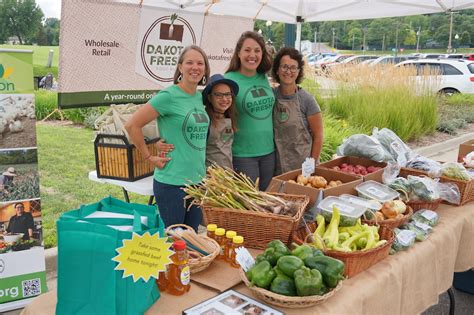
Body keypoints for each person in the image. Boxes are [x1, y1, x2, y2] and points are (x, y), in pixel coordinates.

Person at [124, 45, 210, 231]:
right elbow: (132, 125)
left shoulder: (199, 97)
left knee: (191, 239)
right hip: (172, 184)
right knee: (175, 244)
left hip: (197, 181)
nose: (195, 67)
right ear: (180, 67)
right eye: (189, 62)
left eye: (200, 63)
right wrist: (149, 156)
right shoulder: (168, 96)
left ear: (205, 69)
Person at [225, 31, 275, 190]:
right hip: (243, 155)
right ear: (238, 53)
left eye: (257, 50)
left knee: (268, 203)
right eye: (247, 50)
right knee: (250, 207)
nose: (252, 55)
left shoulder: (263, 77)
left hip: (269, 152)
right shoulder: (229, 79)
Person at [271, 47, 324, 174]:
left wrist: (311, 164)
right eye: (284, 66)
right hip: (275, 166)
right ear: (277, 70)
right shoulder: (270, 96)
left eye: (293, 67)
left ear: (299, 71)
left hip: (301, 167)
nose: (288, 71)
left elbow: (318, 135)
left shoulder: (307, 100)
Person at [202, 74, 239, 169]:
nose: (224, 99)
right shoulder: (204, 120)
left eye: (227, 94)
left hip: (227, 173)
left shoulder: (229, 116)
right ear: (209, 98)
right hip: (210, 176)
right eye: (218, 95)